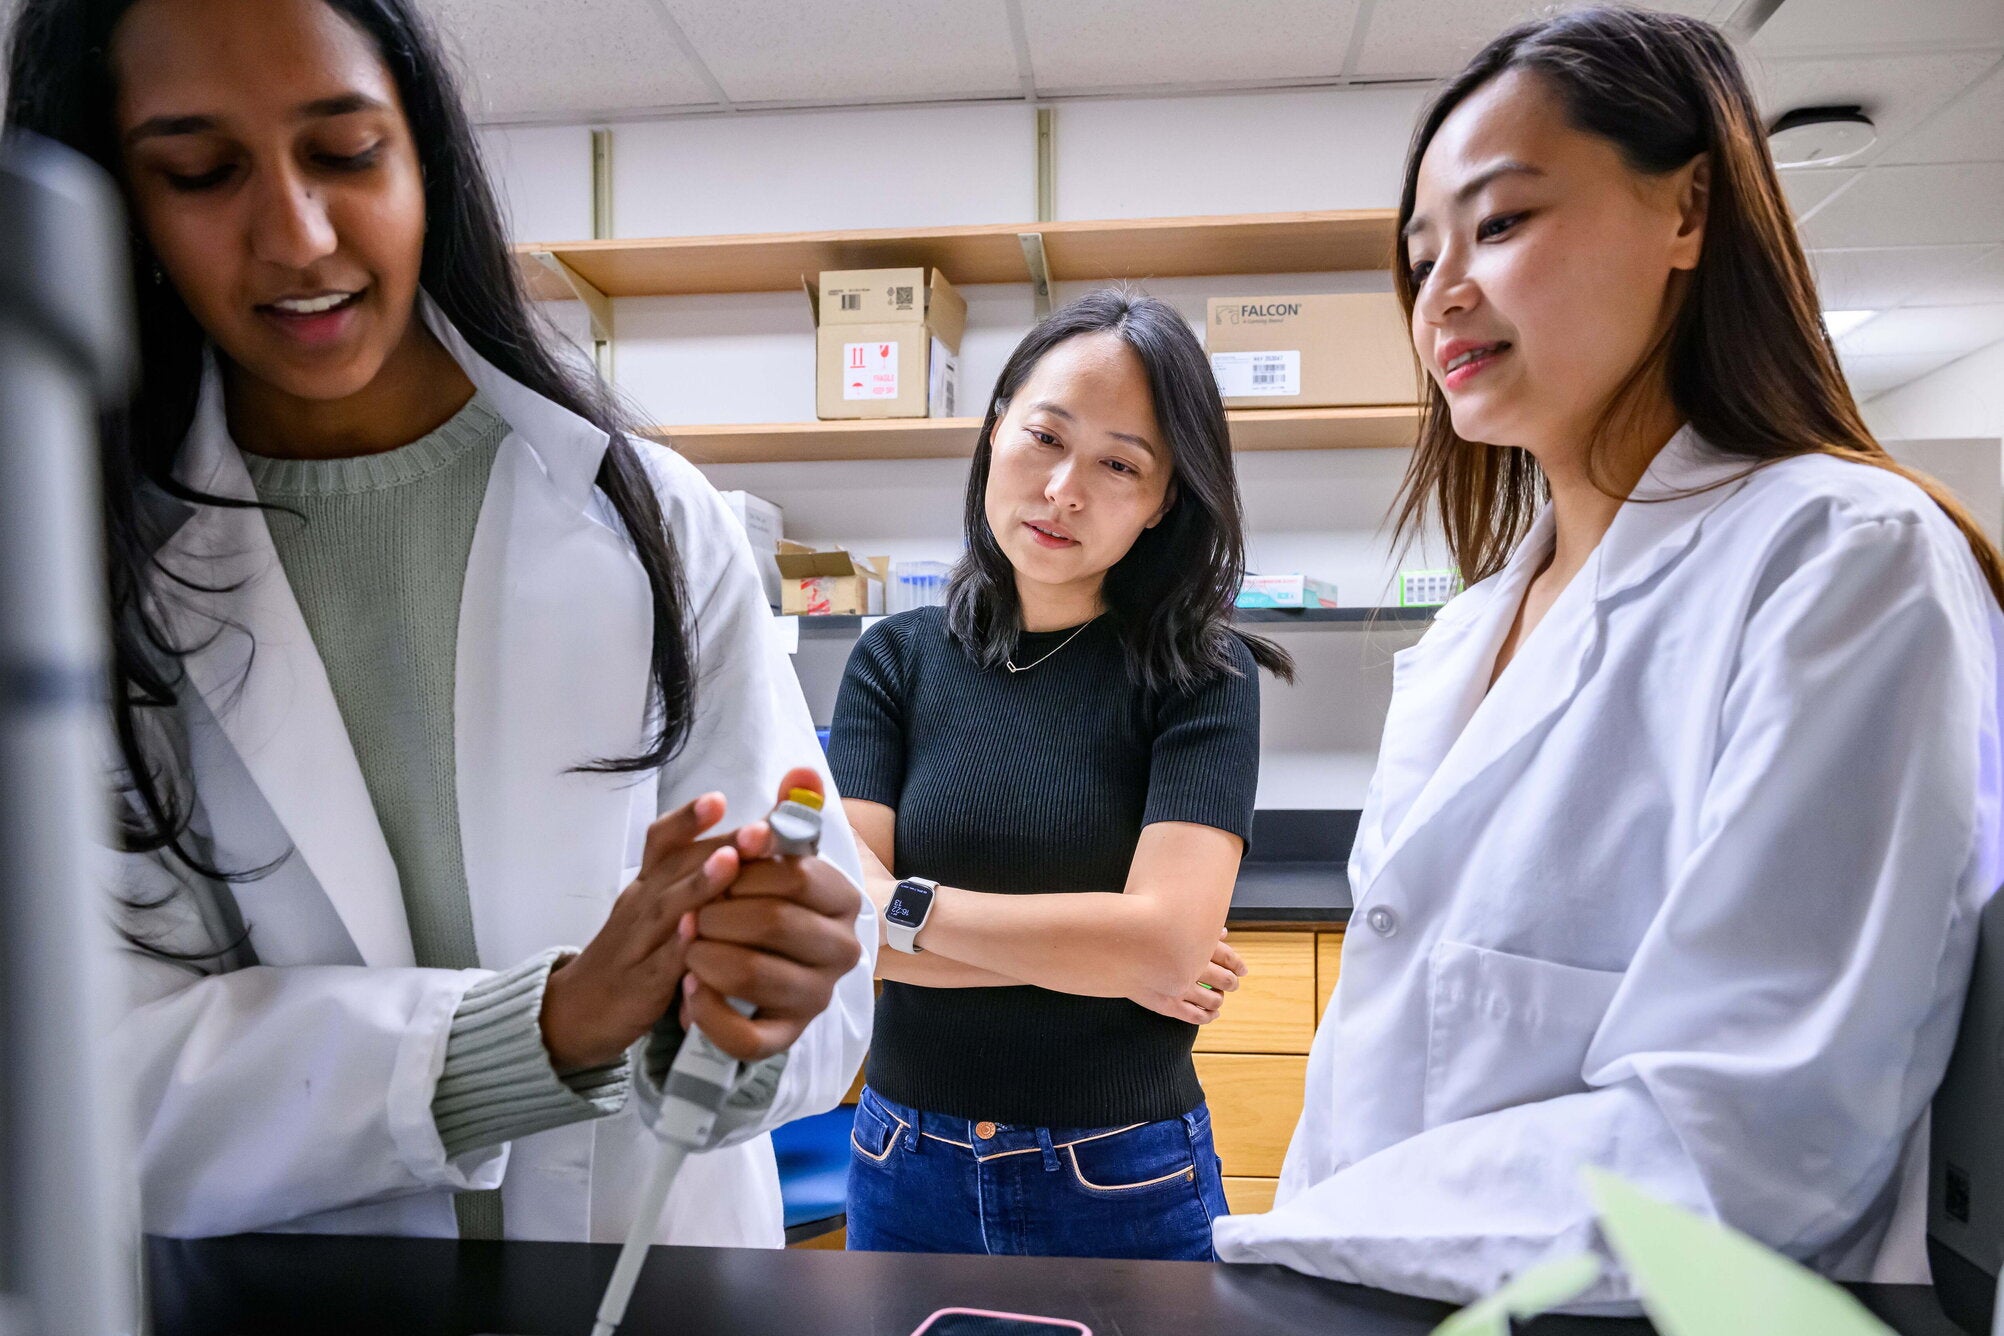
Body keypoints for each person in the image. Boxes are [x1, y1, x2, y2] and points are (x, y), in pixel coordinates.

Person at [3, 0, 872, 1244]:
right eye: (200, 172)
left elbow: (815, 1030)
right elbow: (87, 1086)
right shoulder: (78, 575)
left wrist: (755, 989)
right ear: (114, 202)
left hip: (651, 1279)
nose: (297, 238)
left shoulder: (652, 522)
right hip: (286, 1300)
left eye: (346, 152)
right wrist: (541, 1028)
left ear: (425, 156)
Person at [1212, 6, 2004, 1309]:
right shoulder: (1473, 628)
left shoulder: (1844, 561)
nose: (1445, 292)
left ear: (1689, 210)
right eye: (1422, 257)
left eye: (1504, 222)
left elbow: (1750, 1141)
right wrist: (1306, 1244)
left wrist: (1292, 1241)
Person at [827, 290, 1292, 1260]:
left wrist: (903, 909)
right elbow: (842, 927)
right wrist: (1108, 953)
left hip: (1122, 1177)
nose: (1066, 488)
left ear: (1165, 498)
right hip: (902, 1165)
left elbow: (1163, 946)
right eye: (1046, 436)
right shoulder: (893, 660)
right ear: (996, 430)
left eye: (1120, 463)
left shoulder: (1203, 675)